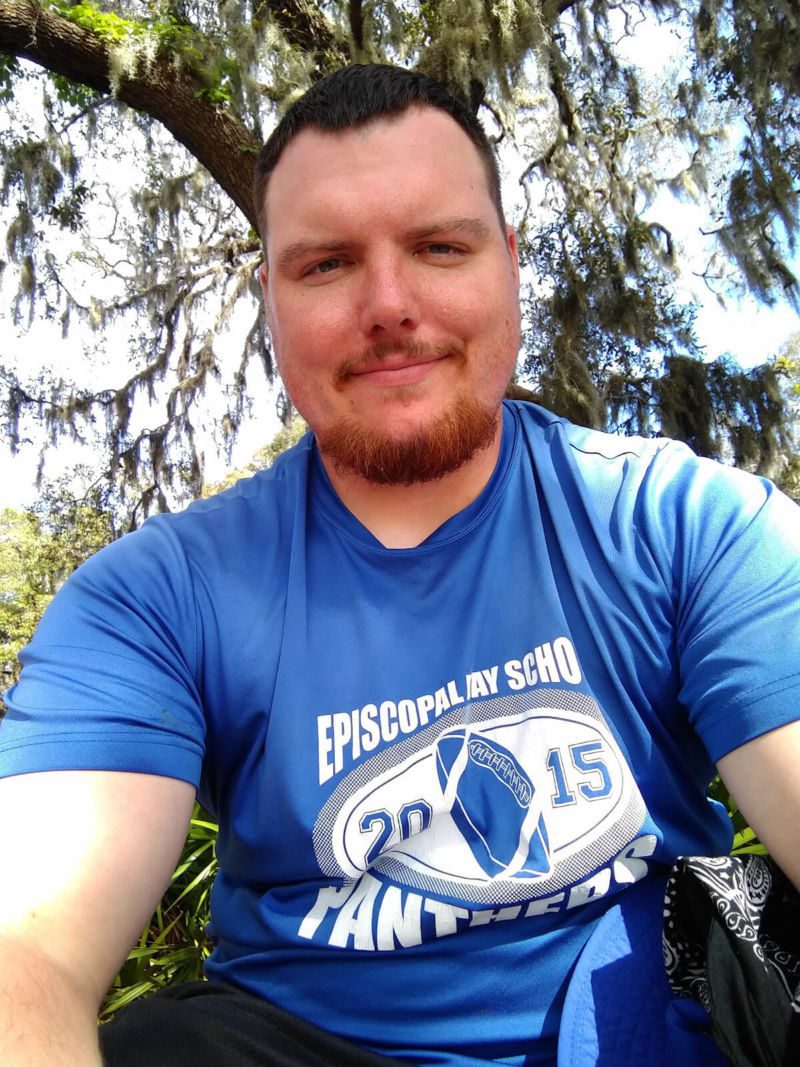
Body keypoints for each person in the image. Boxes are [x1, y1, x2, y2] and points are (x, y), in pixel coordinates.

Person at [0, 63, 798, 1067]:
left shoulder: (683, 523)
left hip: (648, 1025)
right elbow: (24, 943)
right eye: (327, 264)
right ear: (272, 299)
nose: (388, 304)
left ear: (508, 264)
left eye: (438, 247)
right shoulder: (157, 600)